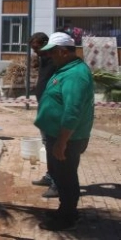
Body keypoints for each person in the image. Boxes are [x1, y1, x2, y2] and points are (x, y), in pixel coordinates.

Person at [35, 32, 94, 232]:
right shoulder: (66, 69)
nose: (49, 56)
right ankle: (65, 210)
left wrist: (61, 142)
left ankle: (67, 217)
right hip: (60, 136)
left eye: (52, 52)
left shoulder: (75, 75)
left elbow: (72, 111)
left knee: (66, 177)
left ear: (62, 51)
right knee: (62, 176)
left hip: (67, 138)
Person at [28, 32, 59, 198]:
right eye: (33, 49)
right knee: (47, 143)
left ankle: (57, 183)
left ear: (46, 44)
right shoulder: (43, 59)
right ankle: (50, 175)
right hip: (44, 107)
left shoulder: (55, 60)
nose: (36, 52)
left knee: (53, 145)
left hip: (52, 109)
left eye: (37, 48)